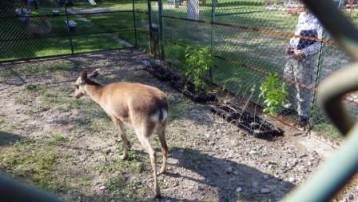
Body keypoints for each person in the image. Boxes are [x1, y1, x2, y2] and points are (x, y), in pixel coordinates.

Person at [283, 5, 323, 127]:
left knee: (302, 85)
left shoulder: (319, 19)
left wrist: (303, 53)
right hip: (292, 54)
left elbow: (318, 44)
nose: (301, 5)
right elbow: (297, 34)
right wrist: (290, 46)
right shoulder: (302, 15)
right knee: (288, 81)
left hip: (305, 58)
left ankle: (303, 115)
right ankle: (289, 106)